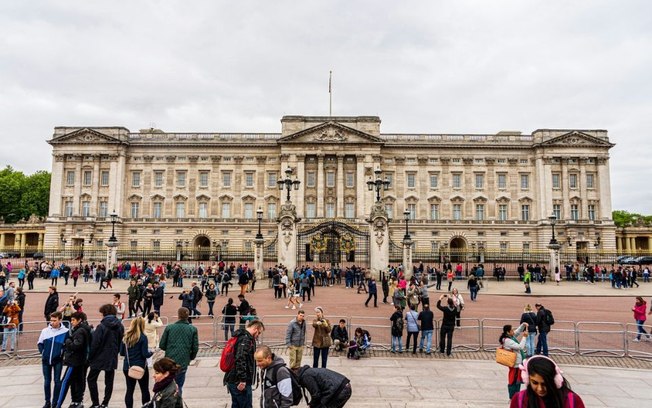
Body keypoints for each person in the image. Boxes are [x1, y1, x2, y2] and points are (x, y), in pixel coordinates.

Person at [511, 355, 586, 408]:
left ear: (555, 381)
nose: (540, 389)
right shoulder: (519, 400)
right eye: (535, 383)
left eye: (545, 384)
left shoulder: (572, 400)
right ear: (527, 379)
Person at [87, 303, 124, 408]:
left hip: (99, 356)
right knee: (109, 381)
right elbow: (120, 341)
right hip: (111, 356)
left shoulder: (101, 326)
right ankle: (105, 403)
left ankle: (95, 403)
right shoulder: (119, 326)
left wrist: (90, 356)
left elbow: (95, 343)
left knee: (91, 379)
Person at [224, 320, 265, 408]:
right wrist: (242, 380)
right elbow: (240, 358)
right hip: (239, 381)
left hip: (234, 379)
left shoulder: (242, 337)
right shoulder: (245, 339)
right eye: (259, 333)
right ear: (255, 329)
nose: (258, 335)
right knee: (245, 404)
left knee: (237, 404)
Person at [159, 307, 198, 396]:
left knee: (167, 385)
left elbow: (162, 345)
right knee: (179, 386)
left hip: (169, 360)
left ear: (178, 315)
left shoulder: (170, 328)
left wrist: (170, 349)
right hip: (183, 361)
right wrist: (190, 357)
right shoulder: (192, 329)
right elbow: (195, 347)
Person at [37, 311, 69, 408]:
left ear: (60, 320)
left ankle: (55, 402)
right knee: (47, 381)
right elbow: (40, 343)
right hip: (46, 360)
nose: (52, 322)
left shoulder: (65, 331)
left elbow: (66, 346)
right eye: (51, 320)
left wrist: (61, 354)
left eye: (55, 320)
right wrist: (43, 353)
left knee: (57, 381)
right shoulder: (45, 331)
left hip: (57, 360)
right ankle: (47, 402)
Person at [120, 317, 153, 408]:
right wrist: (151, 353)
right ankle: (146, 406)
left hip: (128, 366)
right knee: (144, 389)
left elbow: (122, 352)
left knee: (129, 390)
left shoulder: (126, 337)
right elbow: (145, 354)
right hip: (140, 366)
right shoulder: (143, 337)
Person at [62, 311, 92, 408]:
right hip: (82, 360)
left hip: (77, 360)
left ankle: (77, 400)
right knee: (78, 380)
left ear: (79, 320)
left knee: (75, 380)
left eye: (73, 320)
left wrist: (68, 341)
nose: (71, 322)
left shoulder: (80, 331)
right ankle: (77, 400)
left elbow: (77, 345)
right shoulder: (83, 329)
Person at [500, 323, 529, 400]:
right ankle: (513, 397)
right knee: (514, 380)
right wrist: (524, 337)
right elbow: (520, 347)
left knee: (517, 381)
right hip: (515, 363)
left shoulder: (510, 337)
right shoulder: (508, 341)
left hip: (517, 362)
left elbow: (517, 331)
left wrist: (523, 325)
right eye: (511, 330)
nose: (513, 331)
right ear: (508, 332)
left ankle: (515, 396)